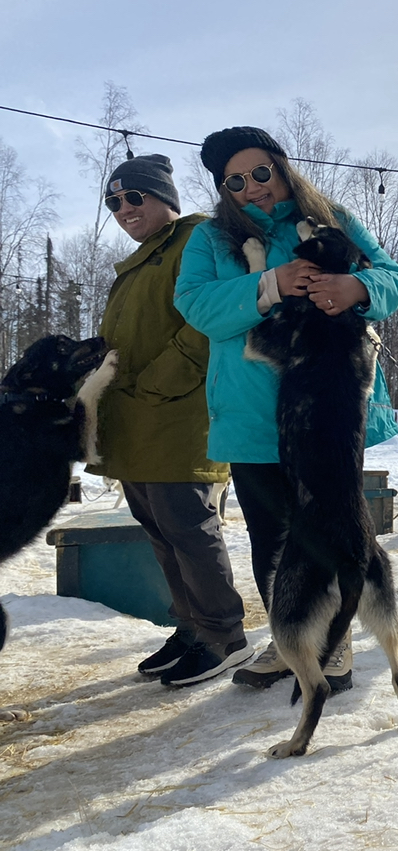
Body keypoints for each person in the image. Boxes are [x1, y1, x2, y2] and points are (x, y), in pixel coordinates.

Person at [174, 127, 398, 693]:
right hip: (253, 412)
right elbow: (195, 304)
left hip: (330, 412)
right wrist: (270, 284)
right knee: (273, 539)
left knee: (333, 524)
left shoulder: (333, 218)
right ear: (223, 190)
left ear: (281, 167)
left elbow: (392, 276)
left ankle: (334, 647)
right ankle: (292, 641)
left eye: (261, 172)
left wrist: (357, 288)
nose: (252, 188)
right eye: (235, 181)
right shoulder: (210, 238)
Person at [87, 154, 251, 687]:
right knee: (160, 531)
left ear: (164, 198)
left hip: (178, 416)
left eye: (134, 197)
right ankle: (192, 626)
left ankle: (224, 636)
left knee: (189, 528)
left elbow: (207, 322)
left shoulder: (196, 239)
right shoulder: (143, 259)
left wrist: (158, 381)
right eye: (114, 202)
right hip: (135, 422)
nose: (123, 209)